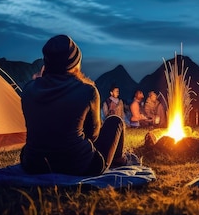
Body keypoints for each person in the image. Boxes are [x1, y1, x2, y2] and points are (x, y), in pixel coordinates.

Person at [20, 34, 133, 176]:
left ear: (46, 63)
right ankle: (117, 160)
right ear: (75, 63)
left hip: (34, 164)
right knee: (115, 121)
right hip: (79, 166)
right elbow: (93, 135)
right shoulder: (88, 91)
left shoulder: (29, 89)